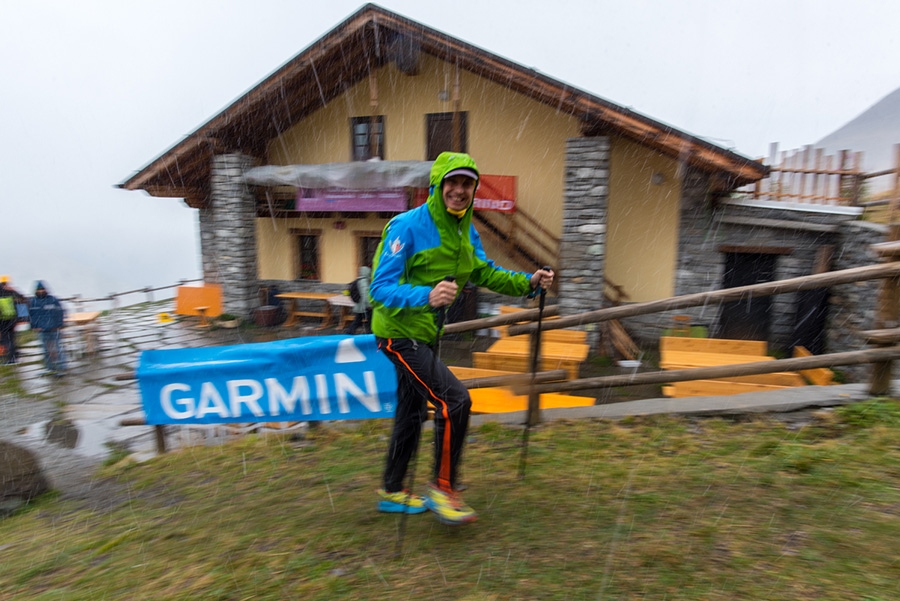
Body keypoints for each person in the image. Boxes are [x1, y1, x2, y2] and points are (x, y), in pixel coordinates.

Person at [369, 152, 554, 524]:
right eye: (451, 183)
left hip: (426, 333)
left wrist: (528, 284)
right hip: (399, 333)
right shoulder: (406, 227)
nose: (459, 190)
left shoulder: (465, 230)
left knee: (411, 412)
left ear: (473, 189)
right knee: (455, 400)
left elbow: (483, 272)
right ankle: (444, 488)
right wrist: (426, 296)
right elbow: (379, 288)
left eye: (466, 184)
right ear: (436, 186)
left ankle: (392, 491)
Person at [28, 281, 67, 375]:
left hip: (54, 329)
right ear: (36, 291)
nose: (41, 291)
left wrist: (59, 324)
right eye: (39, 289)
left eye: (42, 289)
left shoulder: (53, 300)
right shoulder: (32, 302)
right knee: (45, 350)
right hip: (41, 330)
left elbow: (60, 312)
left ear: (45, 289)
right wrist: (33, 327)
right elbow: (30, 315)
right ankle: (49, 368)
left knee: (58, 349)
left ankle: (61, 368)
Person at [0, 275, 26, 364]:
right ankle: (14, 355)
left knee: (6, 339)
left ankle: (11, 358)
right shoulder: (12, 291)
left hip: (3, 321)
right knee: (11, 338)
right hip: (12, 320)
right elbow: (22, 299)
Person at [343, 265, 372, 335]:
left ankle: (349, 333)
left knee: (358, 321)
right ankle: (369, 335)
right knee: (369, 321)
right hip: (364, 306)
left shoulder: (359, 280)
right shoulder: (364, 281)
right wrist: (369, 305)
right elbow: (365, 294)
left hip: (359, 306)